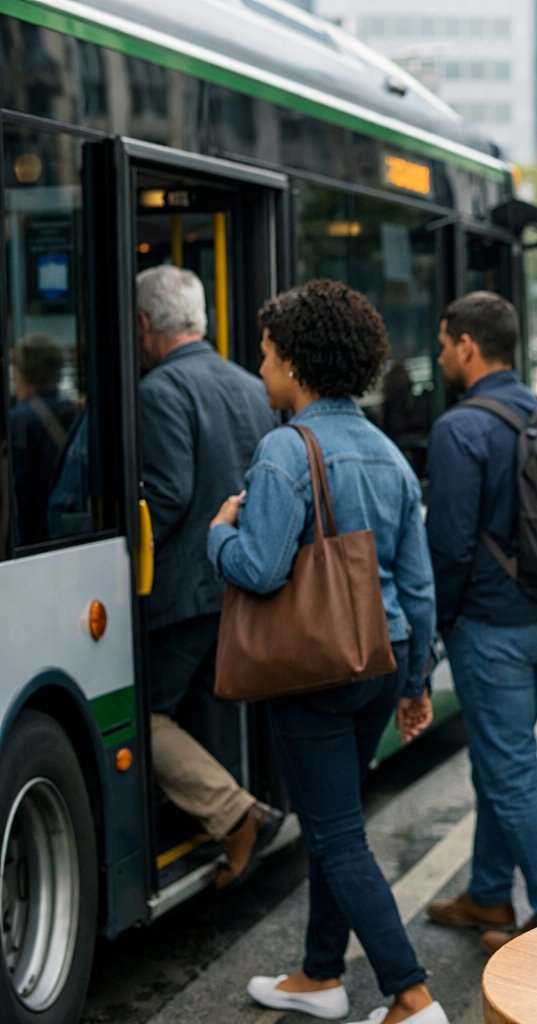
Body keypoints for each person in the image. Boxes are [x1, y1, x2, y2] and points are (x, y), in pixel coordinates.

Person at [209, 280, 442, 1024]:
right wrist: (414, 683)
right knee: (333, 819)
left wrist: (219, 532)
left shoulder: (285, 449)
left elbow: (262, 567)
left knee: (337, 834)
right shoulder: (387, 452)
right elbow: (418, 582)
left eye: (269, 354)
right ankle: (319, 976)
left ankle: (411, 996)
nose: (262, 367)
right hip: (380, 658)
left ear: (299, 364)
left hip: (313, 667)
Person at [423, 291, 537, 953]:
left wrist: (440, 623)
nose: (438, 356)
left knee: (509, 768)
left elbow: (450, 545)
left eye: (442, 343)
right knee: (502, 756)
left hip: (492, 627)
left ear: (465, 345)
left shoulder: (459, 428)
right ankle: (489, 895)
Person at [134, 266, 283, 889]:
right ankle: (232, 819)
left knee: (142, 717)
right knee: (216, 709)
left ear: (145, 325)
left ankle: (234, 814)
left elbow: (165, 498)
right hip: (238, 585)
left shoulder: (158, 390)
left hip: (182, 591)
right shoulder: (251, 386)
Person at [8, 331, 78, 544]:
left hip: (32, 534)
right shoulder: (73, 410)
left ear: (22, 372)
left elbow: (17, 487)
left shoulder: (19, 418)